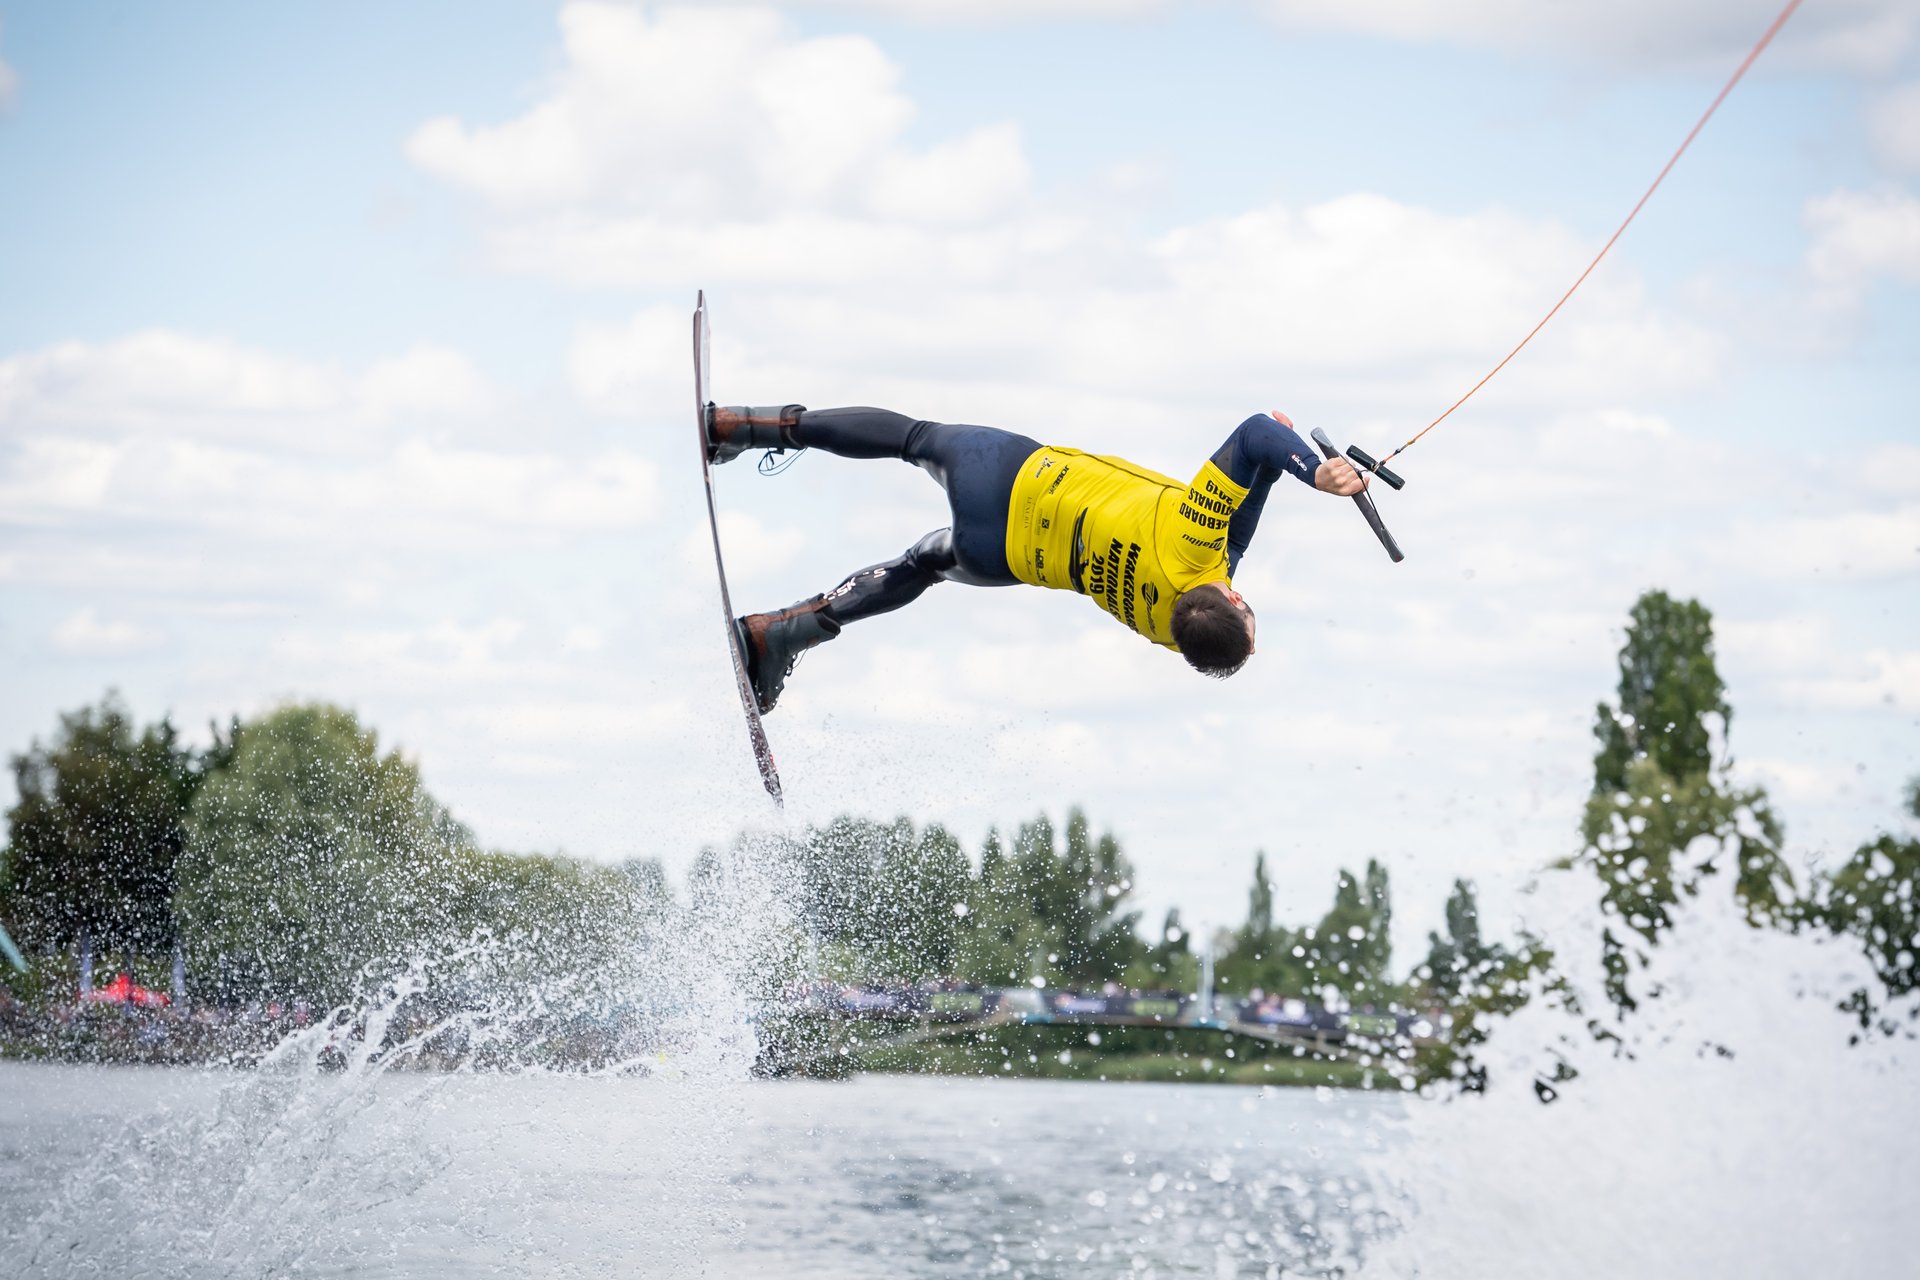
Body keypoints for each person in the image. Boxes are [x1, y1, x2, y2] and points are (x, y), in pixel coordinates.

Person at [705, 404, 1369, 712]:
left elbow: (1250, 436)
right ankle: (779, 633)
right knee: (925, 564)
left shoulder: (1195, 544)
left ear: (1234, 600)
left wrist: (1311, 471)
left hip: (1010, 477)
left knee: (913, 438)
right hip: (1003, 554)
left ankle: (743, 427)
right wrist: (1281, 466)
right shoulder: (1174, 633)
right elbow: (1241, 535)